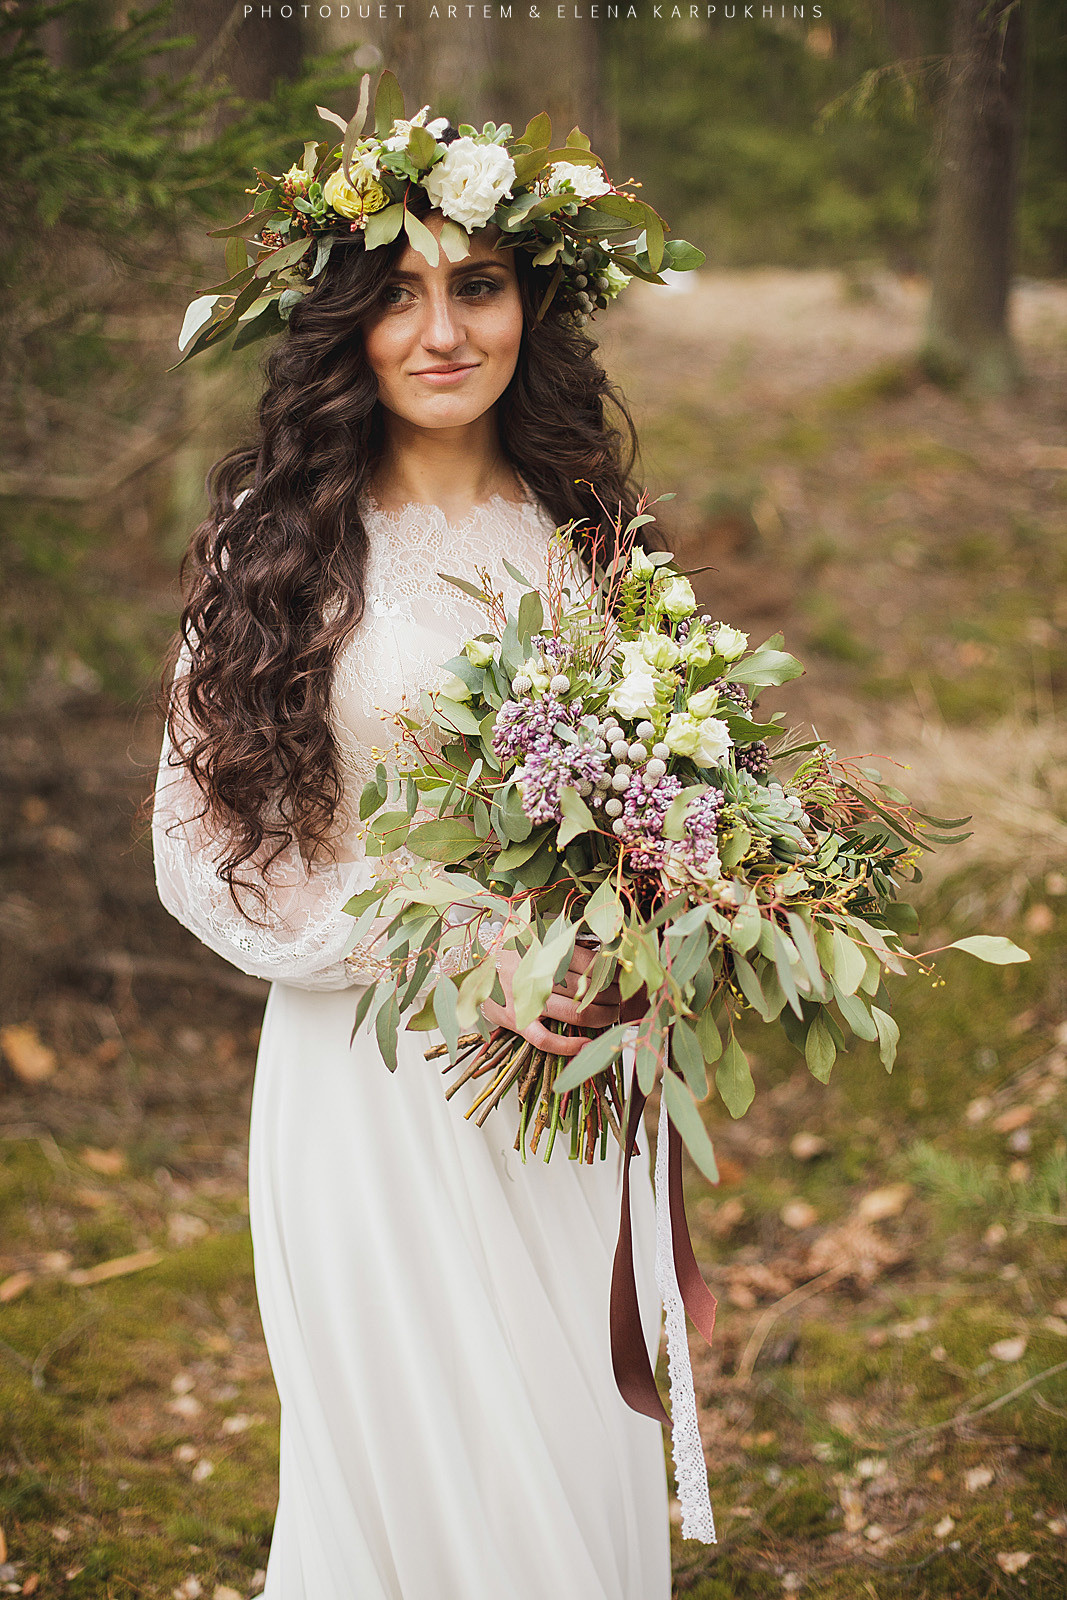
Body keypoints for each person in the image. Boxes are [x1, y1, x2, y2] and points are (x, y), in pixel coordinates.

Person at [154, 95, 707, 1598]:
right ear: (344, 324)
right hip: (377, 1077)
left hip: (562, 1092)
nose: (442, 328)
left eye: (476, 284)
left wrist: (637, 935)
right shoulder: (284, 546)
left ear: (532, 302)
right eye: (397, 292)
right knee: (423, 1477)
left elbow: (645, 807)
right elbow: (204, 858)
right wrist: (455, 944)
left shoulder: (588, 533)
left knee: (561, 1449)